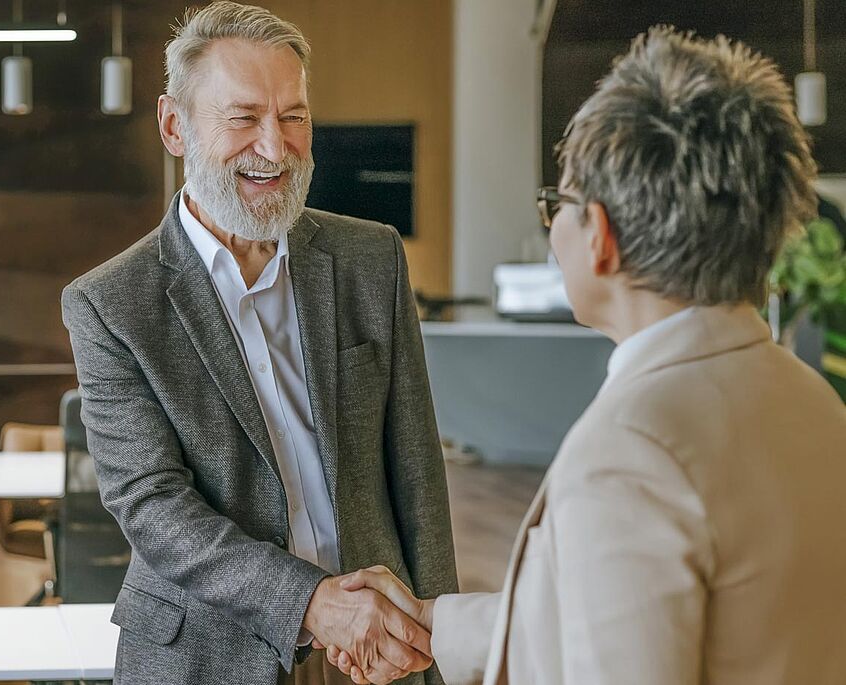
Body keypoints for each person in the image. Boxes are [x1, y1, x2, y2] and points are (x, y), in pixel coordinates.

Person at [320, 25, 846, 685]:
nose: (552, 226)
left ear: (599, 236)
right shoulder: (811, 398)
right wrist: (434, 621)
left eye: (557, 203)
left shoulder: (634, 451)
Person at [61, 3, 457, 684]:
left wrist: (442, 638)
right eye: (244, 118)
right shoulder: (111, 304)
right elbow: (155, 507)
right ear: (174, 126)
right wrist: (310, 601)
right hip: (206, 657)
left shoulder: (372, 259)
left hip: (375, 653)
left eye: (294, 116)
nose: (275, 148)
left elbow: (417, 472)